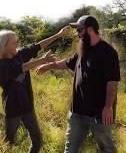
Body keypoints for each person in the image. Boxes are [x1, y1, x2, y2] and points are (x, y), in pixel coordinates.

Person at [0, 26, 69, 152]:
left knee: (37, 141)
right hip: (13, 109)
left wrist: (57, 35)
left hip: (27, 106)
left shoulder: (19, 55)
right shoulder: (1, 65)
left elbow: (37, 46)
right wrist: (42, 60)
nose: (17, 44)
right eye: (14, 42)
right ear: (5, 46)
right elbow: (20, 68)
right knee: (9, 140)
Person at [36, 15, 120, 153]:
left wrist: (108, 107)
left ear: (90, 30)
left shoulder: (108, 53)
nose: (78, 34)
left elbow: (112, 83)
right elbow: (67, 63)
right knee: (70, 149)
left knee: (107, 148)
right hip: (77, 112)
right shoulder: (82, 49)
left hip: (98, 113)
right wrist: (48, 65)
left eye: (80, 30)